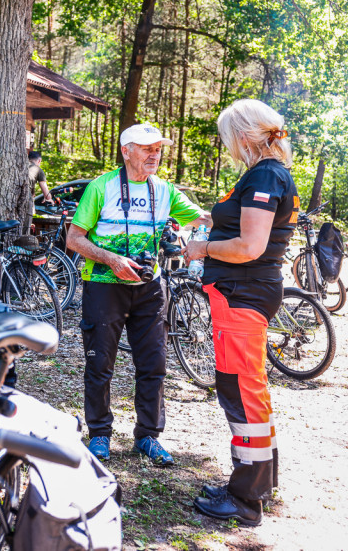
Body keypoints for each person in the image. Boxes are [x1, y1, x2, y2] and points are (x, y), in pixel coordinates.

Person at [66, 124, 210, 466]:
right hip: (104, 285)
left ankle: (147, 436)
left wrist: (242, 214)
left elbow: (203, 217)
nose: (154, 154)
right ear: (126, 150)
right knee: (99, 364)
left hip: (148, 288)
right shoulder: (101, 187)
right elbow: (74, 239)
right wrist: (113, 259)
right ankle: (100, 433)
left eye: (158, 148)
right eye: (147, 148)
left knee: (154, 364)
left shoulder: (165, 190)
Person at [183, 100, 298, 527]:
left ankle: (246, 500)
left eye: (229, 137)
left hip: (242, 293)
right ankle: (257, 484)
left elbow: (250, 246)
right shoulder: (266, 173)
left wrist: (201, 248)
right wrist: (210, 218)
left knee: (241, 392)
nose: (228, 146)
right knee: (249, 388)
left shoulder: (266, 173)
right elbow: (248, 225)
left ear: (245, 135)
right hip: (244, 293)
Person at [28, 150, 55, 228]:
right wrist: (48, 196)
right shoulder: (37, 169)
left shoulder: (20, 166)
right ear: (39, 160)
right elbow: (47, 194)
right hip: (26, 199)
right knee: (27, 226)